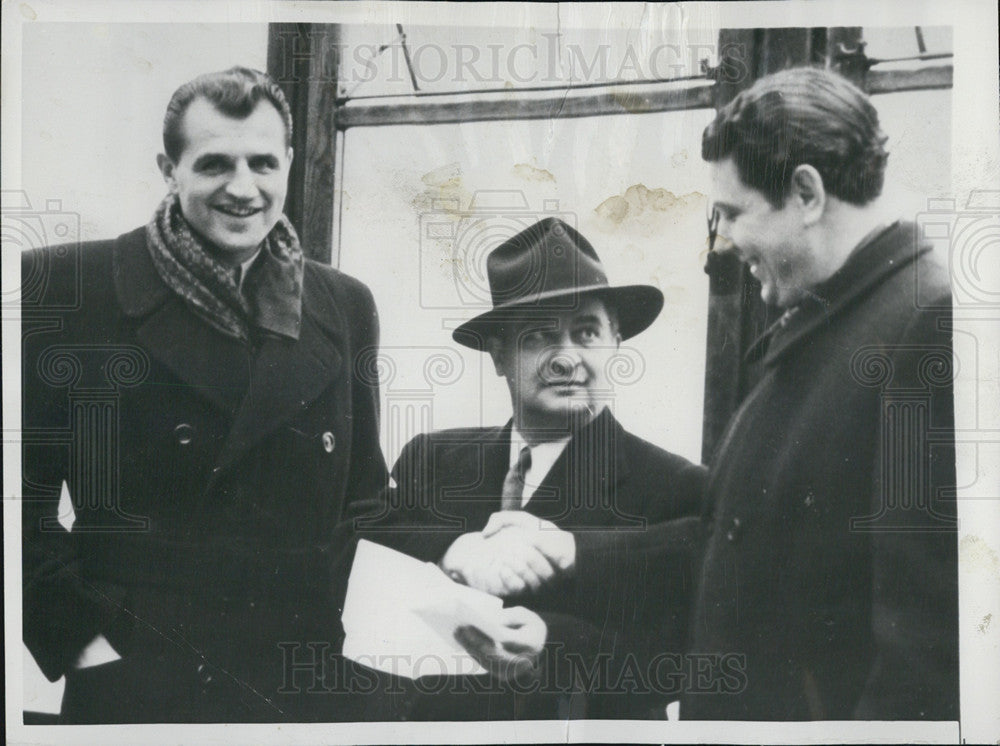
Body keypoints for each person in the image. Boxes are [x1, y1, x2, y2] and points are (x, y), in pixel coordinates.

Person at [474, 66, 958, 720]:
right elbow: (733, 547)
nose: (725, 242)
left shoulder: (928, 327)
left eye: (731, 214)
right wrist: (570, 549)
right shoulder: (840, 324)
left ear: (807, 194)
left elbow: (928, 659)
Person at [21, 67, 387, 723]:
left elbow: (363, 494)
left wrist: (342, 625)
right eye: (215, 163)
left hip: (300, 674)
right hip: (139, 675)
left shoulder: (345, 304)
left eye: (262, 163)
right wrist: (80, 641)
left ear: (290, 165)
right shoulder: (69, 286)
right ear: (170, 166)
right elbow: (16, 500)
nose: (242, 188)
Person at [352, 217, 706, 719]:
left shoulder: (672, 486)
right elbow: (363, 537)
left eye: (586, 332)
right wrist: (453, 549)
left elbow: (686, 654)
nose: (566, 359)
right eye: (540, 336)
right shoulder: (431, 461)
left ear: (616, 343)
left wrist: (551, 644)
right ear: (498, 356)